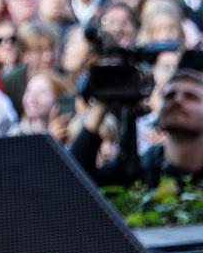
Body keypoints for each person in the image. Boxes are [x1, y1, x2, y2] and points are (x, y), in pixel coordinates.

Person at [70, 60, 203, 189]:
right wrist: (101, 106)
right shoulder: (142, 170)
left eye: (191, 97)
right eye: (169, 96)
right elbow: (75, 178)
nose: (177, 100)